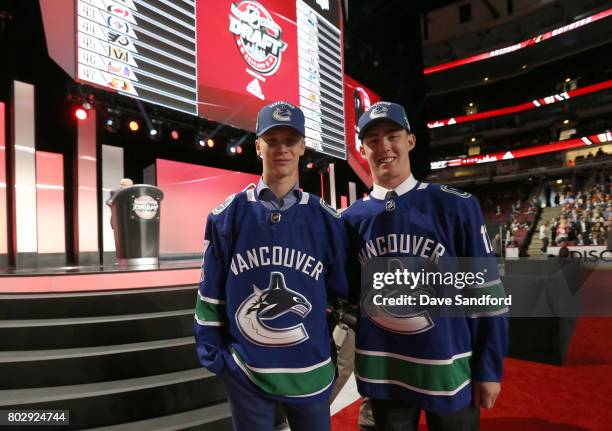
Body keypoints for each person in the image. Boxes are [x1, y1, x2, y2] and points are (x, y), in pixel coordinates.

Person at [343, 102, 508, 431]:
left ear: (410, 141)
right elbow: (348, 296)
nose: (384, 146)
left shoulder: (456, 205)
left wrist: (488, 369)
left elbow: (487, 293)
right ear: (363, 149)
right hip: (385, 374)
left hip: (449, 371)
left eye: (392, 135)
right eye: (373, 140)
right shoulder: (350, 220)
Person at [193, 101, 351, 431]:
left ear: (303, 146)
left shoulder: (326, 218)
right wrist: (222, 363)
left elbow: (345, 292)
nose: (282, 149)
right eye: (272, 140)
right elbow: (209, 297)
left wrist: (334, 343)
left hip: (312, 369)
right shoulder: (228, 215)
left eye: (290, 140)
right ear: (258, 146)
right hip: (247, 372)